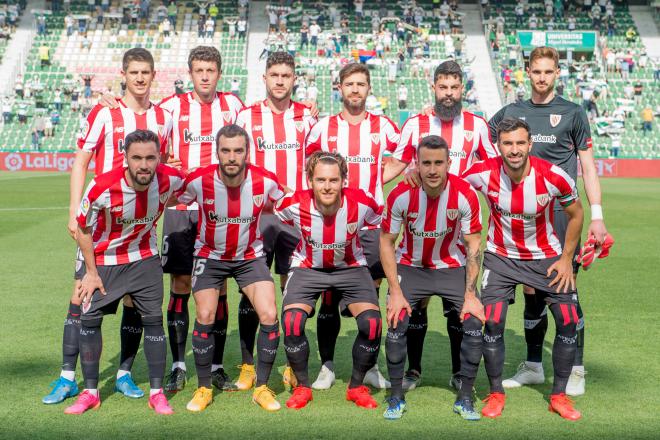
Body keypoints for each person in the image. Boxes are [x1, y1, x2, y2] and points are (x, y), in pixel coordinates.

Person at [42, 48, 173, 405]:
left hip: (141, 227)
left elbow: (167, 162)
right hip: (101, 223)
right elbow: (81, 161)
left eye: (146, 72)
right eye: (134, 72)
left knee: (136, 301)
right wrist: (74, 210)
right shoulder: (105, 111)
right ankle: (68, 377)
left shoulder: (164, 116)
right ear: (124, 75)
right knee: (81, 295)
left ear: (154, 75)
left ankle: (124, 374)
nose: (141, 79)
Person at [488, 46, 609, 397]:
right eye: (536, 71)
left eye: (548, 72)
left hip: (560, 215)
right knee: (530, 289)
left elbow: (588, 167)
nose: (542, 78)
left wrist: (597, 217)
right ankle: (533, 365)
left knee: (565, 288)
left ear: (557, 73)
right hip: (521, 220)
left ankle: (576, 368)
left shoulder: (572, 113)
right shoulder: (512, 112)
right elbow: (479, 140)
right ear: (527, 72)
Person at [463, 117, 584, 420]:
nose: (514, 150)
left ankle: (559, 396)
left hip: (546, 257)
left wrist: (567, 258)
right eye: (507, 143)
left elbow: (576, 214)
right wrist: (414, 174)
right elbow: (447, 184)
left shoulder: (554, 176)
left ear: (530, 144)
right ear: (498, 146)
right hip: (500, 257)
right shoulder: (482, 173)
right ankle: (495, 394)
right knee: (492, 322)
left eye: (520, 143)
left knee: (568, 320)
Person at [388, 60, 498, 392]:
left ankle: (457, 372)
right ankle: (414, 370)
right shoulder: (415, 123)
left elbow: (491, 166)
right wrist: (401, 172)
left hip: (460, 229)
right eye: (442, 87)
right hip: (421, 226)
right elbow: (398, 161)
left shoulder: (477, 125)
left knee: (460, 307)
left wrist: (488, 201)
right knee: (415, 305)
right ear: (433, 88)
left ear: (462, 89)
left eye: (454, 87)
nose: (448, 94)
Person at [63, 129, 184, 415]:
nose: (144, 164)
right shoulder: (102, 187)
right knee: (89, 319)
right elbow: (82, 229)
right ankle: (90, 392)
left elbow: (194, 189)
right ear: (125, 158)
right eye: (137, 158)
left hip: (145, 259)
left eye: (151, 158)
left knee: (154, 321)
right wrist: (90, 272)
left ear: (159, 158)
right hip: (105, 261)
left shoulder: (171, 178)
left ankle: (157, 394)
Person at [305, 62, 405, 390]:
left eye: (361, 84)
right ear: (340, 88)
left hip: (371, 224)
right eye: (350, 84)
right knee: (330, 296)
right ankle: (328, 366)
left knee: (370, 298)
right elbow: (309, 165)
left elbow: (406, 153)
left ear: (369, 88)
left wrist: (380, 177)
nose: (355, 90)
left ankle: (371, 366)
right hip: (333, 222)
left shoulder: (383, 125)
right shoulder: (323, 127)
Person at [176, 124, 284, 412]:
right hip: (210, 257)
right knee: (206, 313)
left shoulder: (266, 182)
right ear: (217, 152)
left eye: (238, 150)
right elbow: (172, 199)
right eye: (226, 150)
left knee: (270, 314)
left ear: (247, 152)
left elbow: (291, 203)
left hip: (249, 256)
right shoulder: (198, 181)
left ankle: (261, 387)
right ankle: (203, 388)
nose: (232, 157)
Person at [156, 46, 245, 393]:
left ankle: (218, 365)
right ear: (190, 73)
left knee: (218, 288)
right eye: (198, 70)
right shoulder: (170, 108)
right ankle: (178, 365)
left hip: (220, 211)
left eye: (210, 70)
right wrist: (166, 164)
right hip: (181, 210)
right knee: (179, 285)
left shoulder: (233, 106)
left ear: (218, 73)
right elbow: (149, 148)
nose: (205, 75)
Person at [381, 135, 485, 421]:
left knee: (473, 320)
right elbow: (387, 241)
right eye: (425, 163)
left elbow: (473, 244)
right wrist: (394, 291)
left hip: (451, 267)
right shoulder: (401, 194)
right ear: (416, 164)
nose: (432, 170)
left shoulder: (464, 194)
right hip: (411, 266)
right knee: (396, 318)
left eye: (439, 162)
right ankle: (396, 397)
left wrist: (470, 294)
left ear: (449, 163)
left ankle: (465, 397)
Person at [275, 151, 384, 410]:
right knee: (291, 322)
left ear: (343, 180)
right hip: (308, 267)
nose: (326, 187)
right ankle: (302, 387)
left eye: (333, 180)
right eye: (320, 180)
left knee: (372, 325)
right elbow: (271, 216)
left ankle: (356, 386)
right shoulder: (292, 204)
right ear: (310, 181)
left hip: (351, 267)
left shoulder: (363, 203)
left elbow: (381, 226)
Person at [234, 51, 316, 391]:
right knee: (251, 290)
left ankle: (287, 362)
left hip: (295, 218)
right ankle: (247, 364)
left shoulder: (307, 118)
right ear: (265, 79)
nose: (280, 81)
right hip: (256, 217)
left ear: (294, 79)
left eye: (286, 75)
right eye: (274, 75)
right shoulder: (246, 116)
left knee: (292, 290)